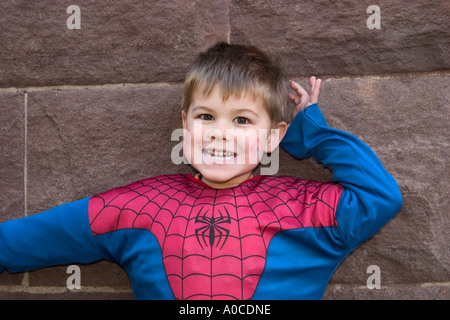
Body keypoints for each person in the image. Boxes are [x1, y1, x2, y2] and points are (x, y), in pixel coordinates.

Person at [0, 42, 402, 300]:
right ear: (185, 124)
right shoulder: (135, 207)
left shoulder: (306, 208)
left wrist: (311, 132)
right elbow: (19, 241)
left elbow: (380, 197)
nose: (220, 134)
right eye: (206, 116)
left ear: (272, 137)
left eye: (242, 121)